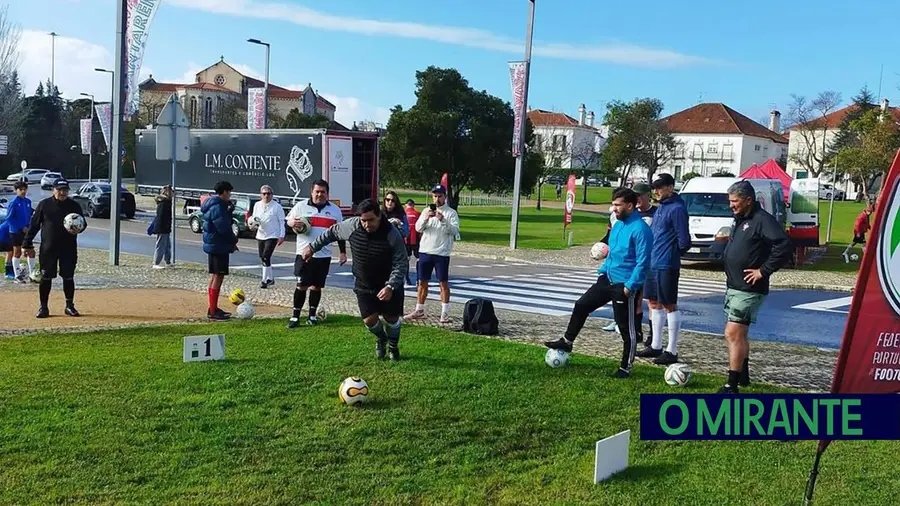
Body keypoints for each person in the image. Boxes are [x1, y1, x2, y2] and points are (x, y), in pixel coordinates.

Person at [545, 188, 653, 378]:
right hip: (607, 279)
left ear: (630, 205)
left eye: (618, 205)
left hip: (624, 285)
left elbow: (643, 262)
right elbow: (612, 252)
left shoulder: (641, 230)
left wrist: (630, 286)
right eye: (613, 205)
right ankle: (567, 342)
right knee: (581, 305)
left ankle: (625, 367)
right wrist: (603, 270)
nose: (614, 209)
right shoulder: (618, 225)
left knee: (626, 329)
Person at [302, 199, 409, 360]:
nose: (366, 224)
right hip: (364, 283)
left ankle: (393, 347)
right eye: (363, 220)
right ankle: (382, 338)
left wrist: (391, 286)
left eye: (371, 220)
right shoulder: (352, 226)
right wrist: (311, 247)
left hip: (388, 284)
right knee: (369, 320)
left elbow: (401, 263)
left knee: (391, 318)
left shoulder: (392, 234)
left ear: (379, 216)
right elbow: (331, 233)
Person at [719, 181, 792, 393]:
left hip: (749, 289)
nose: (731, 205)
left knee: (732, 333)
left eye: (735, 201)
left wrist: (763, 270)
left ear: (748, 200)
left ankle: (731, 385)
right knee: (740, 333)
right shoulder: (741, 218)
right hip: (735, 285)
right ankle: (743, 376)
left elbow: (784, 245)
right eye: (730, 201)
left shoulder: (762, 220)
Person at [636, 173, 691, 365]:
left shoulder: (676, 209)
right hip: (653, 262)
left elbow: (684, 240)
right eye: (655, 187)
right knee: (653, 302)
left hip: (666, 264)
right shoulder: (662, 208)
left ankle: (671, 350)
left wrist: (671, 253)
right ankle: (656, 345)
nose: (656, 191)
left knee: (669, 304)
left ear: (670, 187)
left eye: (660, 187)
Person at [600, 182, 657, 343]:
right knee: (622, 301)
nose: (638, 198)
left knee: (640, 300)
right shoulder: (620, 218)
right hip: (621, 269)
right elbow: (611, 236)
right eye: (635, 195)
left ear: (647, 196)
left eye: (640, 195)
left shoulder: (652, 215)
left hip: (643, 264)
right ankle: (621, 323)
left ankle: (638, 332)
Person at [285, 179, 346, 328]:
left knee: (316, 287)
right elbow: (288, 221)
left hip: (324, 255)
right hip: (304, 254)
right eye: (317, 191)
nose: (319, 194)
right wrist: (292, 223)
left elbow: (339, 233)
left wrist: (343, 252)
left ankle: (312, 316)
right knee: (301, 285)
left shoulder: (335, 210)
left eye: (322, 192)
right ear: (312, 192)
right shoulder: (301, 206)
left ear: (327, 194)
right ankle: (295, 317)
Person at [22, 179, 85, 318]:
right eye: (59, 190)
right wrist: (26, 244)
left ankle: (69, 306)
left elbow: (83, 224)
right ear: (53, 189)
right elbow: (34, 225)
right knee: (46, 278)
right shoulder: (44, 205)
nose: (62, 193)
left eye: (65, 190)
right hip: (48, 249)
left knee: (68, 277)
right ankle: (43, 307)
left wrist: (79, 228)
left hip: (68, 248)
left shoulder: (74, 205)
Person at [405, 185, 460, 324]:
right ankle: (419, 310)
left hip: (441, 253)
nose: (437, 199)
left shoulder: (451, 213)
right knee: (422, 282)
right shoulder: (426, 211)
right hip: (425, 251)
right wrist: (426, 218)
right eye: (435, 196)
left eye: (440, 196)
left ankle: (444, 313)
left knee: (443, 283)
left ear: (445, 197)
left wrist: (443, 220)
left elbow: (455, 231)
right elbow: (418, 228)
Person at [201, 181, 239, 321]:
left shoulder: (215, 205)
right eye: (229, 192)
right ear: (224, 192)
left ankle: (213, 307)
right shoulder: (218, 207)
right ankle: (212, 311)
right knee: (218, 276)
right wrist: (233, 241)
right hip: (218, 245)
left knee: (215, 276)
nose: (230, 195)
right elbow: (223, 228)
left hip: (214, 244)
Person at [249, 185, 286, 288]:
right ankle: (270, 278)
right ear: (261, 195)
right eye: (264, 194)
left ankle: (264, 280)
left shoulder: (277, 207)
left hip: (273, 235)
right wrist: (252, 225)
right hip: (261, 234)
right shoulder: (257, 205)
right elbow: (254, 218)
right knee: (263, 257)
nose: (266, 196)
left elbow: (282, 222)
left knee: (266, 256)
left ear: (272, 195)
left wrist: (282, 235)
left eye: (268, 194)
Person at [6, 180, 36, 282]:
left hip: (26, 231)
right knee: (17, 252)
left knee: (31, 252)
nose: (23, 191)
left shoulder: (28, 202)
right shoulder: (13, 203)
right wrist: (20, 227)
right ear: (16, 190)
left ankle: (32, 274)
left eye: (24, 189)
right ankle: (17, 275)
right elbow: (9, 218)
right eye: (20, 189)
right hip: (15, 231)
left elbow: (29, 213)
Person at [151, 185, 173, 269]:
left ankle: (168, 262)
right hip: (163, 227)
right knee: (161, 245)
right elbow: (161, 217)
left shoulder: (166, 202)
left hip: (165, 227)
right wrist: (165, 226)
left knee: (167, 245)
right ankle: (156, 263)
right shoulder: (164, 203)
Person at [404, 199, 421, 284]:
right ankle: (419, 279)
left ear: (406, 205)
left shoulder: (403, 214)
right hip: (416, 239)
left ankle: (407, 279)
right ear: (413, 205)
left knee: (406, 259)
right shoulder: (418, 214)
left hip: (406, 240)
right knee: (419, 258)